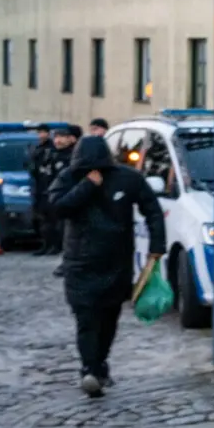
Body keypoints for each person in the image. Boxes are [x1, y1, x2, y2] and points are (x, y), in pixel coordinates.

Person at [48, 136, 166, 398]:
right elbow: (57, 208)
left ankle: (99, 364)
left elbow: (152, 210)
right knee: (87, 319)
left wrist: (157, 245)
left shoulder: (127, 178)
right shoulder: (68, 178)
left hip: (116, 261)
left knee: (109, 318)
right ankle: (90, 369)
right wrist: (87, 186)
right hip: (81, 262)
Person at [48, 124, 81, 277]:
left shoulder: (73, 157)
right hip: (56, 196)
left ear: (71, 139)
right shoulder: (53, 154)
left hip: (70, 198)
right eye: (56, 137)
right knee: (58, 230)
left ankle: (68, 262)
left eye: (62, 137)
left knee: (68, 232)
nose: (58, 141)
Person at [28, 124, 57, 256]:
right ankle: (45, 244)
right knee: (41, 220)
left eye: (43, 132)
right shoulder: (37, 148)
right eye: (39, 132)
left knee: (50, 221)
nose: (41, 135)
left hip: (48, 188)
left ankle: (53, 245)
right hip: (39, 187)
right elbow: (33, 166)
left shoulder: (51, 149)